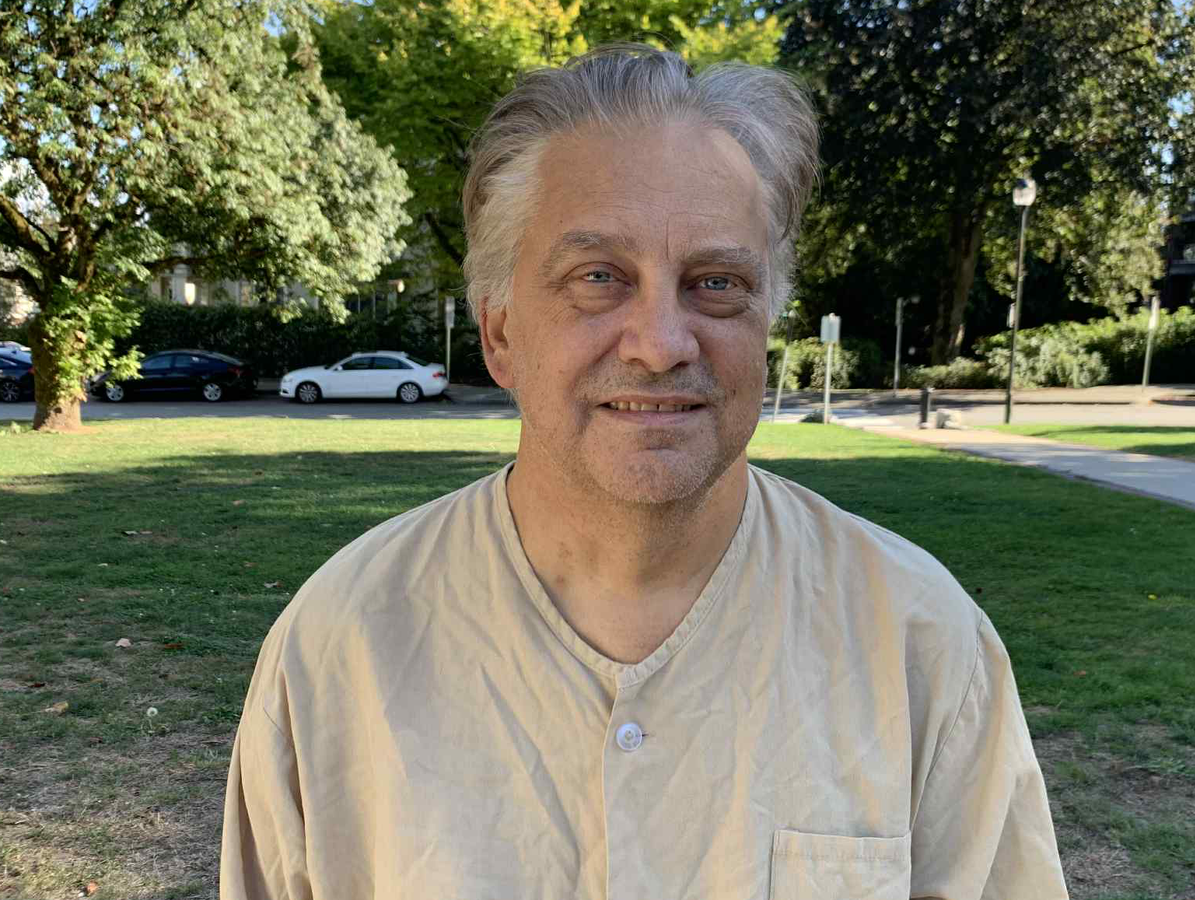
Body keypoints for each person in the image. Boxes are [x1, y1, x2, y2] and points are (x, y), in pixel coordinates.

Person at [220, 45, 1069, 900]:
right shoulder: (338, 650)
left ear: (766, 325)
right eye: (598, 277)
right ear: (500, 333)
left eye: (716, 282)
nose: (661, 344)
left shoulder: (923, 646)